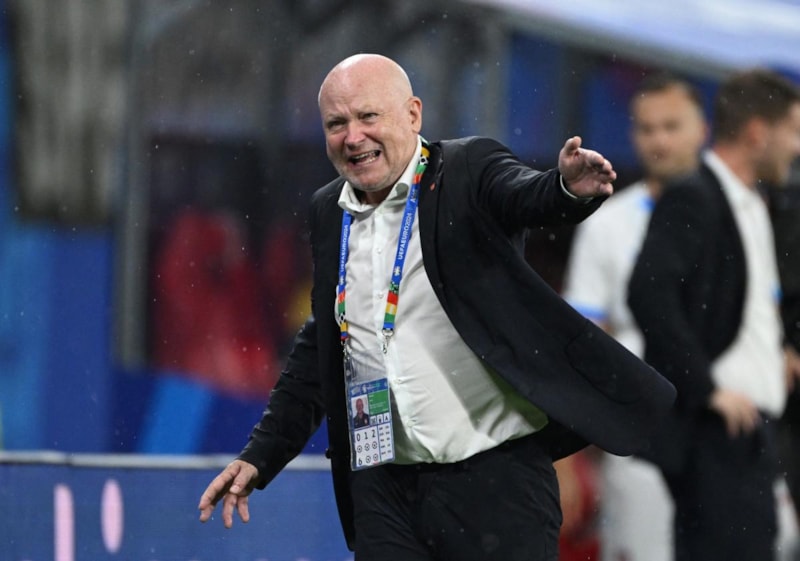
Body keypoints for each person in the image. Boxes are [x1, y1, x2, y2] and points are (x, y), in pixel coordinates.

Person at [197, 53, 675, 561]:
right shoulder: (327, 212)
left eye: (368, 116)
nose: (353, 136)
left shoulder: (467, 170)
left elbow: (523, 194)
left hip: (495, 481)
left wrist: (563, 188)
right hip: (384, 488)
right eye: (337, 124)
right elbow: (324, 346)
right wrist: (260, 456)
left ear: (412, 115)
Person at [628, 69, 800, 561]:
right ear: (757, 133)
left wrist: (775, 351)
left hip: (749, 431)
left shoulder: (749, 202)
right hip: (714, 431)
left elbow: (740, 305)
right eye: (793, 131)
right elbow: (648, 294)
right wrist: (706, 388)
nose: (797, 147)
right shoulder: (695, 195)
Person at [562, 72, 708, 561]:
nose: (659, 140)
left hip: (729, 428)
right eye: (648, 128)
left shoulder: (743, 212)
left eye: (672, 126)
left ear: (701, 129)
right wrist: (567, 455)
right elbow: (583, 343)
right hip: (643, 431)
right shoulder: (608, 222)